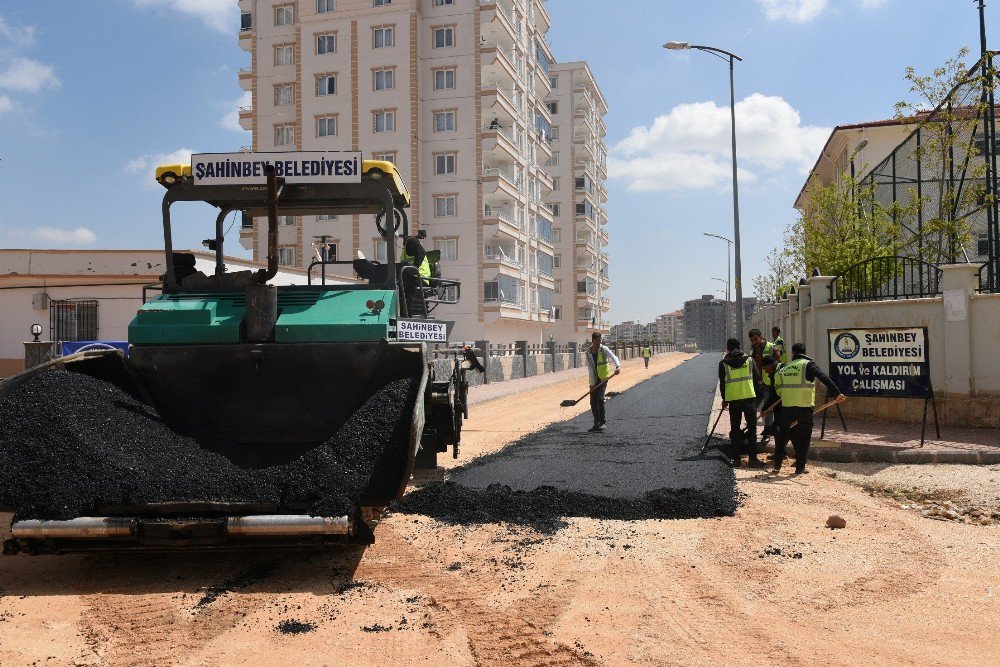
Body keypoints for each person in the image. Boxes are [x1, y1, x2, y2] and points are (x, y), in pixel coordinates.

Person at [772, 342, 847, 475]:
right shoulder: (808, 365)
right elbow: (824, 377)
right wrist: (836, 393)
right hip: (803, 407)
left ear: (793, 353)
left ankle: (777, 465)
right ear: (805, 352)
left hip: (787, 408)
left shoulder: (786, 367)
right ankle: (800, 467)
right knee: (804, 437)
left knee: (782, 436)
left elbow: (779, 389)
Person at [719, 338, 764, 468]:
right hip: (749, 399)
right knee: (752, 428)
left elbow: (723, 384)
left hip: (734, 401)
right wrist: (756, 398)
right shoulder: (749, 360)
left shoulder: (723, 364)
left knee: (735, 430)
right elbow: (757, 379)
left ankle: (737, 459)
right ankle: (752, 459)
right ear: (739, 347)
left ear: (728, 348)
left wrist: (724, 399)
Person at [585, 332, 620, 432]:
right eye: (597, 341)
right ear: (593, 341)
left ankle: (603, 423)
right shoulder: (588, 352)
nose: (598, 343)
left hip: (604, 378)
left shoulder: (603, 349)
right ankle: (596, 423)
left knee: (600, 399)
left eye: (600, 340)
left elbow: (614, 357)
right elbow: (590, 368)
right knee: (592, 402)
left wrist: (618, 366)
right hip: (594, 379)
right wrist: (592, 382)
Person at [749, 328, 780, 439]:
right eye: (752, 341)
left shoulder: (772, 347)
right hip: (757, 384)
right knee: (752, 407)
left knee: (768, 409)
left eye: (756, 339)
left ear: (761, 336)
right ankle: (751, 432)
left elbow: (778, 365)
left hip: (768, 384)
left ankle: (767, 433)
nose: (754, 342)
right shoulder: (753, 350)